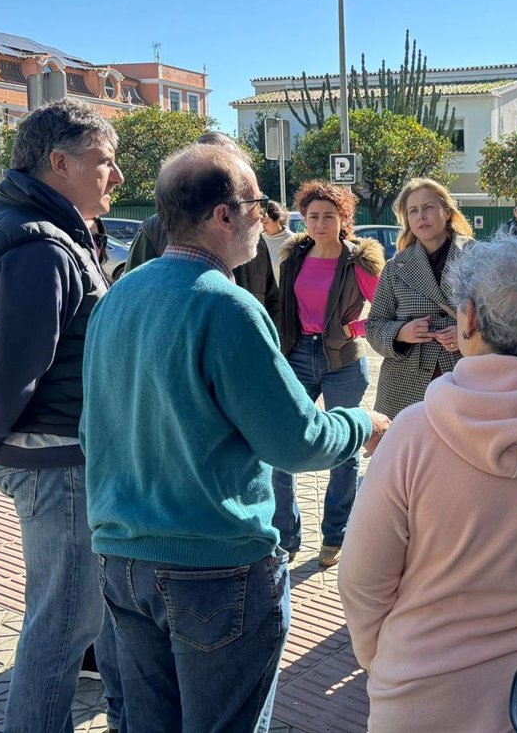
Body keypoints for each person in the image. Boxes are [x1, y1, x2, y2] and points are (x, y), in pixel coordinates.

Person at [81, 144, 388, 733]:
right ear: (224, 215)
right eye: (257, 203)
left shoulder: (119, 293)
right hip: (215, 571)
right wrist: (362, 424)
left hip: (122, 560)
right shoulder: (226, 306)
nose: (264, 216)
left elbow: (93, 431)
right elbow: (296, 442)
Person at [338, 234, 517, 732]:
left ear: (469, 317)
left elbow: (363, 578)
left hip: (427, 690)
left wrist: (382, 658)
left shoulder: (412, 433)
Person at [0, 98, 123, 733]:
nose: (116, 176)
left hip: (46, 454)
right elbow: (9, 373)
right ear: (60, 162)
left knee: (73, 615)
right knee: (62, 626)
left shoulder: (0, 224)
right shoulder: (39, 244)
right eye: (104, 161)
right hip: (56, 459)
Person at [272, 180, 384, 568]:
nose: (320, 224)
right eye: (313, 216)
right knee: (283, 443)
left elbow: (385, 310)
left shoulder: (357, 262)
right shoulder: (294, 257)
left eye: (329, 216)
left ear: (343, 219)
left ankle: (335, 536)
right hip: (298, 356)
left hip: (343, 362)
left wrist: (355, 328)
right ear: (303, 219)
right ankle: (285, 537)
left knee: (344, 449)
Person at [124, 131, 280, 319]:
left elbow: (272, 302)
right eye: (214, 164)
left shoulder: (252, 234)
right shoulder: (154, 230)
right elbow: (133, 299)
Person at [365, 177, 475, 418]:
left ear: (447, 212)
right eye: (413, 211)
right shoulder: (396, 267)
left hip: (464, 375)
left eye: (428, 207)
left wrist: (466, 334)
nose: (421, 216)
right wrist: (401, 333)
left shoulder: (477, 257)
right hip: (405, 382)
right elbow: (373, 326)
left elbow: (503, 319)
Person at [261, 199, 293, 283]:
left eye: (266, 222)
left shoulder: (293, 241)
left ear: (278, 220)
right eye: (260, 222)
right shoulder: (259, 241)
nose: (262, 226)